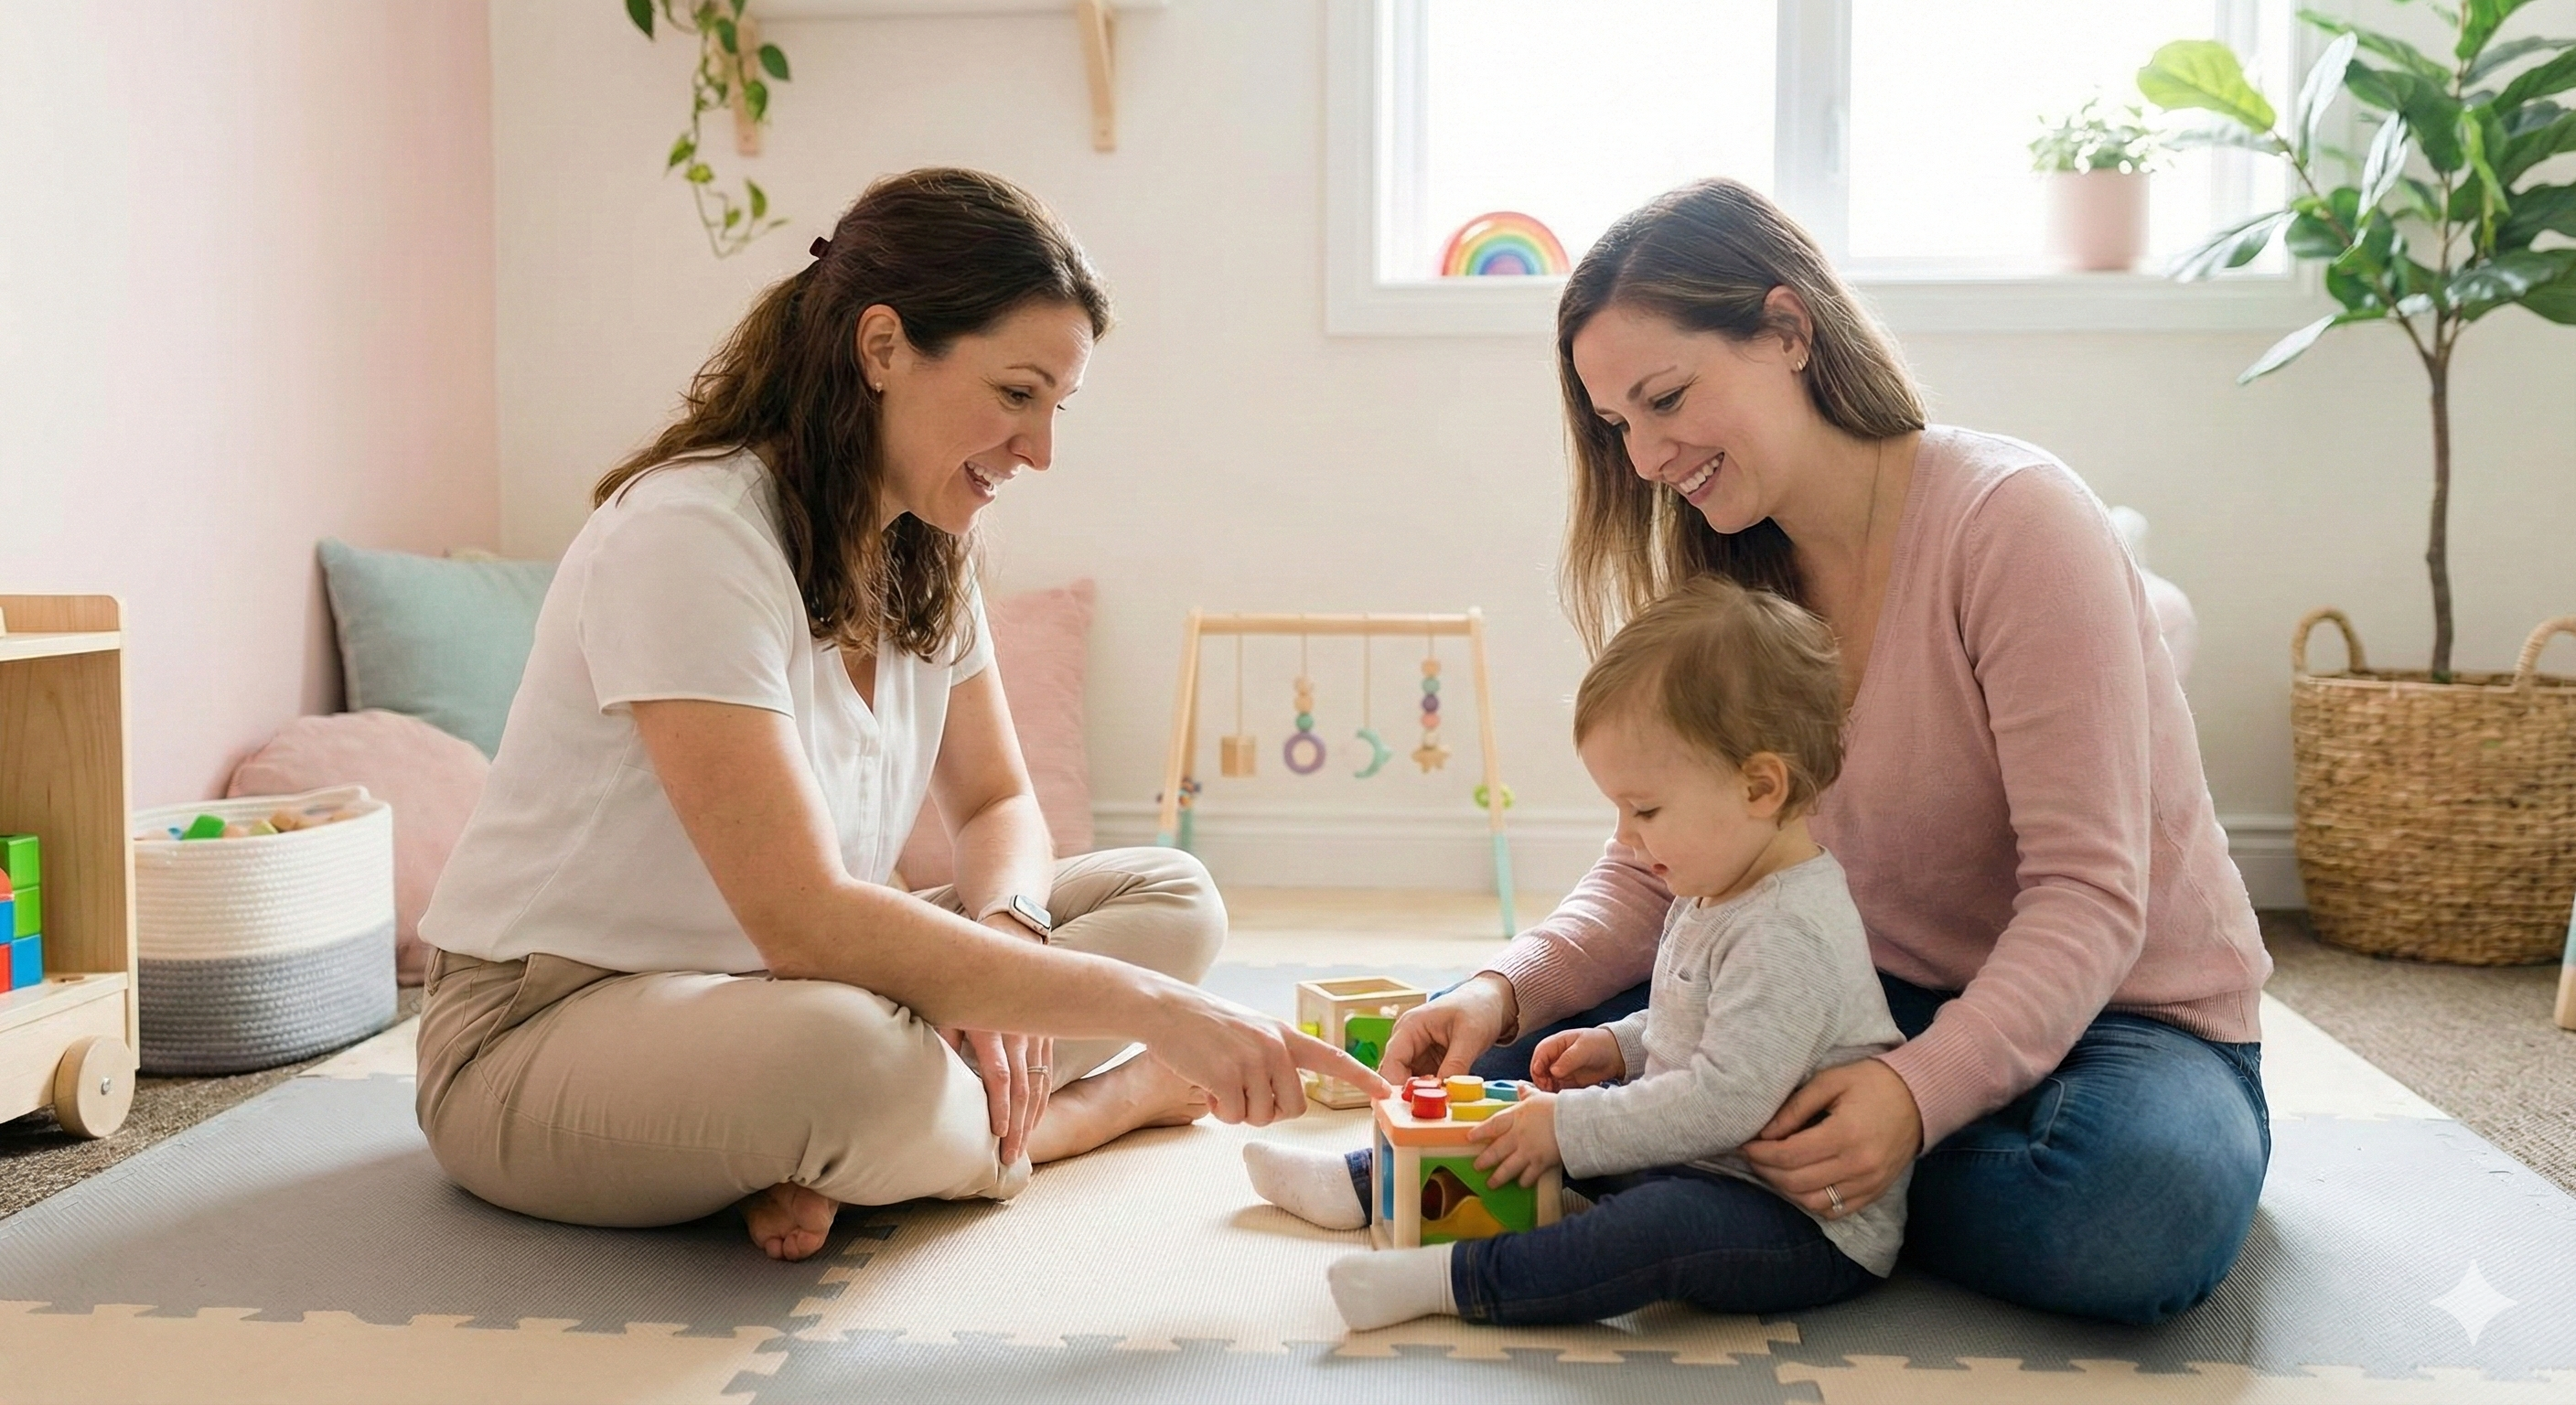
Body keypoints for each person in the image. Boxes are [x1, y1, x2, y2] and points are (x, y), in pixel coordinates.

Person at [413, 167, 1379, 1262]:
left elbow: (998, 800)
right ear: (881, 349)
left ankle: (845, 1147)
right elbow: (805, 916)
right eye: (1016, 396)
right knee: (849, 1063)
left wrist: (1007, 927)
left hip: (791, 990)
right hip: (541, 1027)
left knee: (1168, 896)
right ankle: (1075, 1120)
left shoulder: (926, 546)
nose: (1040, 450)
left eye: (1056, 408)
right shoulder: (693, 534)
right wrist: (1158, 1016)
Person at [1377, 177, 2272, 1326]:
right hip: (1859, 989)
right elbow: (1653, 863)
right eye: (1618, 427)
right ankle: (1755, 1160)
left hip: (2130, 1015)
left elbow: (2089, 898)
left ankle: (1740, 1169)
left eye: (1664, 399)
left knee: (2126, 1218)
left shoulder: (2014, 521)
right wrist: (1504, 992)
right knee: (1514, 1070)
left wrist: (1907, 1097)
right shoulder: (1726, 571)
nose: (1646, 457)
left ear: (1786, 330)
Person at [1244, 576, 1906, 1331]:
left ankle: (1459, 1280)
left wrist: (1568, 1124)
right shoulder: (1718, 879)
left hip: (1798, 1221)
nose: (1625, 837)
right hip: (1703, 1153)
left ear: (1760, 786)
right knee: (1525, 1100)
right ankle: (1367, 1184)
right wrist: (1620, 1046)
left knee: (1655, 1222)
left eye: (1645, 810)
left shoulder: (1791, 928)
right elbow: (1700, 1016)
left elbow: (1725, 1097)